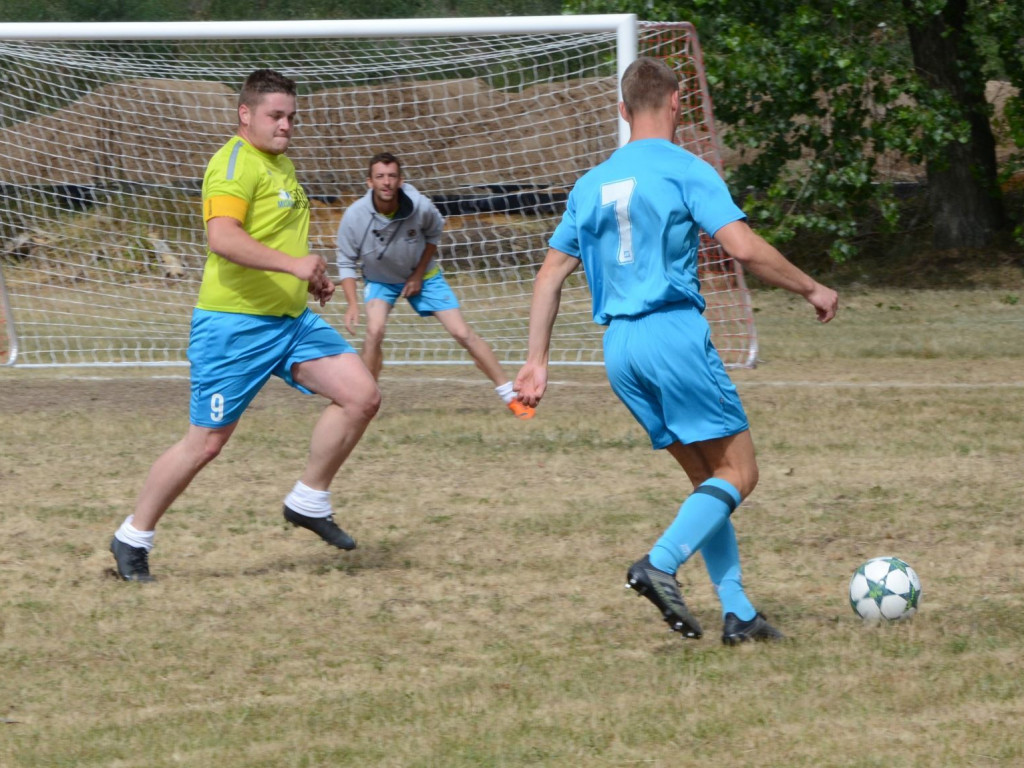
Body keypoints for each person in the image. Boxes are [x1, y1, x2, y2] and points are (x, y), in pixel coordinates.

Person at [514, 57, 839, 644]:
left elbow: (547, 277)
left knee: (708, 481)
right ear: (677, 104)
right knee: (741, 472)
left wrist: (536, 361)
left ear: (621, 111)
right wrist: (812, 287)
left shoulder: (590, 185)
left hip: (620, 350)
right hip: (671, 334)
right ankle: (660, 565)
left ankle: (738, 613)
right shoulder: (687, 168)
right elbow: (741, 247)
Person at [109, 69, 381, 582]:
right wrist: (294, 266)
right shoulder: (233, 164)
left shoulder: (280, 164)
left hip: (289, 322)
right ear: (245, 114)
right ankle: (132, 538)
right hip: (234, 326)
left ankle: (308, 499)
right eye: (275, 116)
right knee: (205, 445)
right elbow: (224, 240)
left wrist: (308, 278)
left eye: (291, 118)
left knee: (362, 395)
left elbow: (273, 239)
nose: (286, 127)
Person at [336, 152, 534, 419]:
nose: (386, 182)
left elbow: (434, 234)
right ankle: (366, 401)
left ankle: (509, 395)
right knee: (374, 331)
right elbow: (346, 261)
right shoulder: (354, 216)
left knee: (462, 333)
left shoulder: (419, 205)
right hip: (381, 280)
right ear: (369, 182)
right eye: (380, 177)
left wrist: (417, 275)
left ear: (400, 180)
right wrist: (351, 303)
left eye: (392, 176)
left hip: (424, 276)